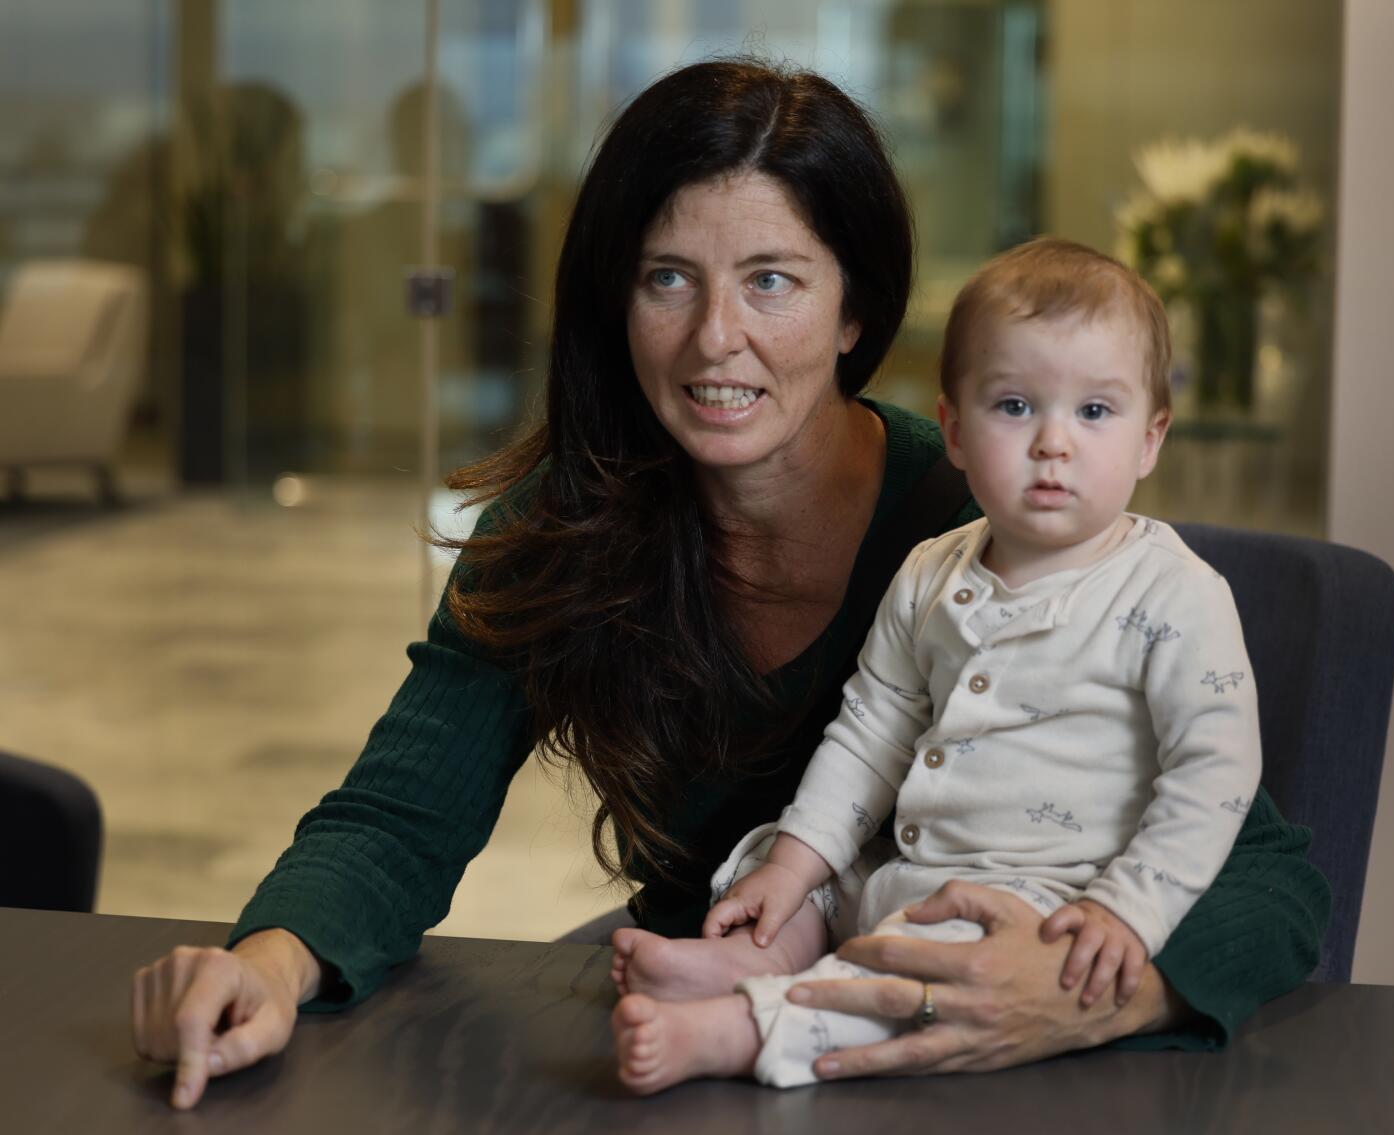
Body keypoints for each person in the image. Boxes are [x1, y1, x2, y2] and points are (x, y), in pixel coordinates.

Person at [130, 59, 1329, 1111]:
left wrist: (1084, 996)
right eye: (668, 278)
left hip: (1011, 1061)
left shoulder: (982, 524)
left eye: (771, 280)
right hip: (706, 1036)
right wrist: (266, 962)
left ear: (855, 309)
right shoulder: (558, 522)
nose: (715, 339)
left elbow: (1271, 881)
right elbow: (398, 817)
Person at [609, 237, 1261, 1093]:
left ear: (1151, 438)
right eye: (1015, 406)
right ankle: (747, 957)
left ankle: (745, 1028)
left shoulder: (1174, 594)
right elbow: (871, 731)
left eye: (1096, 411)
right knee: (784, 850)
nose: (1053, 443)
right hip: (899, 872)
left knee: (930, 970)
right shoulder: (929, 571)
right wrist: (795, 867)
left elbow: (1215, 774)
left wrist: (1128, 909)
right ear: (954, 428)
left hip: (1037, 903)